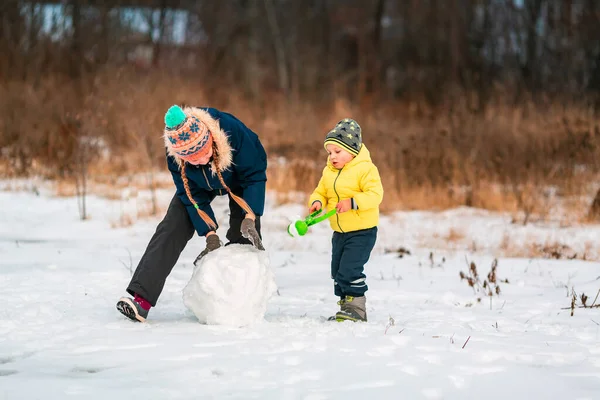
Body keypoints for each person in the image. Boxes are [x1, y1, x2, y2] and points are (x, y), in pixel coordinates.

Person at [116, 105, 267, 322]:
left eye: (202, 154)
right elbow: (190, 196)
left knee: (243, 236)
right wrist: (209, 233)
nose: (199, 161)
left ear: (210, 141)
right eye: (191, 159)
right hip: (196, 187)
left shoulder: (232, 132)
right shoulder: (176, 157)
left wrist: (250, 216)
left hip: (240, 179)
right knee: (171, 227)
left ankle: (241, 308)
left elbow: (254, 175)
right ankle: (141, 300)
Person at [308, 118, 383, 322]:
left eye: (337, 152)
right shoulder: (329, 172)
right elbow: (321, 191)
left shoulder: (366, 169)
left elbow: (376, 195)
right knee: (338, 270)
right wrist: (317, 201)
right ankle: (345, 306)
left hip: (362, 231)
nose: (332, 157)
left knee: (350, 269)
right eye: (330, 152)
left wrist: (353, 202)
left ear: (352, 150)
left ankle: (357, 308)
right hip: (340, 232)